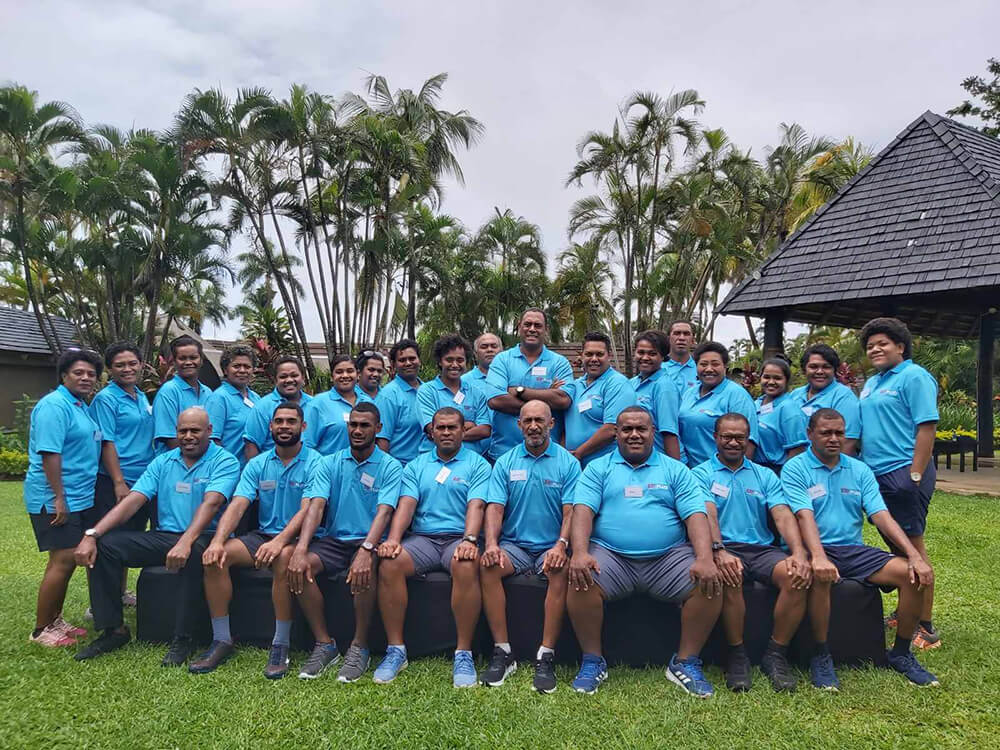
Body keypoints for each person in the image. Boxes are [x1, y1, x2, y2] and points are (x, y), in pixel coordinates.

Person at [566, 407, 723, 697]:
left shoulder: (675, 470)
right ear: (616, 433)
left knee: (709, 581)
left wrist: (704, 558)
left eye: (641, 429)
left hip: (668, 558)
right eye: (627, 429)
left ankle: (685, 662)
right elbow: (582, 511)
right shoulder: (598, 468)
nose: (634, 435)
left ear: (653, 432)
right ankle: (592, 661)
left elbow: (695, 515)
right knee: (581, 577)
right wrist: (579, 553)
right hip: (612, 557)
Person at [781, 408, 939, 689]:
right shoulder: (796, 468)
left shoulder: (859, 469)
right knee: (820, 578)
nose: (834, 439)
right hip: (814, 548)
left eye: (839, 433)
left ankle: (901, 653)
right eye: (826, 433)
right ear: (809, 434)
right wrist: (818, 557)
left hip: (853, 550)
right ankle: (821, 655)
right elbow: (804, 516)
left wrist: (914, 555)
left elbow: (881, 515)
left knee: (912, 575)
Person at [74, 407, 240, 665]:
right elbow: (133, 501)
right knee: (106, 546)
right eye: (183, 431)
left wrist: (185, 542)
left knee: (195, 552)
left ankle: (184, 638)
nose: (188, 436)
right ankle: (113, 630)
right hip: (165, 536)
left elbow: (212, 503)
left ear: (209, 431)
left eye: (195, 430)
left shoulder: (225, 461)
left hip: (205, 536)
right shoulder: (163, 462)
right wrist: (93, 534)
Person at [187, 402, 321, 675]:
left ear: (303, 426)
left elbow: (308, 510)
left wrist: (279, 542)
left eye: (291, 421)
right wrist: (217, 541)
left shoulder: (317, 462)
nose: (284, 426)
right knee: (217, 557)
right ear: (270, 427)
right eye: (279, 421)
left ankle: (280, 645)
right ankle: (221, 639)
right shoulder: (258, 464)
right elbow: (238, 504)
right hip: (262, 536)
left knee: (283, 558)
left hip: (302, 538)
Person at [277, 402, 403, 682]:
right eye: (353, 425)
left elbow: (384, 512)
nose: (357, 430)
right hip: (334, 541)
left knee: (364, 569)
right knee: (299, 566)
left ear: (378, 428)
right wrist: (300, 549)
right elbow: (316, 506)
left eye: (364, 425)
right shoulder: (329, 462)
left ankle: (359, 646)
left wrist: (367, 549)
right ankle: (325, 643)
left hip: (370, 539)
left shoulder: (391, 466)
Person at [692, 413, 810, 693]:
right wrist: (718, 550)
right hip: (725, 547)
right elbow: (707, 514)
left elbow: (782, 515)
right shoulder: (700, 474)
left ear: (748, 440)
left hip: (762, 549)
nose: (733, 442)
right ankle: (737, 655)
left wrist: (798, 552)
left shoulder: (764, 475)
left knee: (795, 577)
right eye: (727, 437)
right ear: (715, 438)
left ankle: (776, 654)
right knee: (731, 575)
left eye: (739, 438)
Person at [373, 407, 491, 687]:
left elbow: (477, 506)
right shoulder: (416, 466)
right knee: (390, 563)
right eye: (441, 428)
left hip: (458, 538)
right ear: (432, 432)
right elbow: (406, 505)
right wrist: (393, 539)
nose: (446, 433)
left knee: (465, 563)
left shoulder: (478, 465)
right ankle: (395, 650)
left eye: (452, 427)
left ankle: (463, 653)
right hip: (423, 539)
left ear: (463, 431)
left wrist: (470, 539)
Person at [479, 400, 581, 692]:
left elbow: (571, 511)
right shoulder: (505, 462)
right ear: (519, 425)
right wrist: (492, 544)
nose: (534, 426)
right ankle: (503, 651)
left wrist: (561, 546)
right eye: (528, 421)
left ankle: (546, 655)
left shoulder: (568, 463)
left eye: (540, 420)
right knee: (488, 567)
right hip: (516, 546)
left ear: (551, 424)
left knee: (560, 570)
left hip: (552, 545)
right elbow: (495, 508)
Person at [858, 317, 940, 649]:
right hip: (875, 473)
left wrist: (915, 474)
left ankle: (925, 625)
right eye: (870, 346)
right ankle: (906, 609)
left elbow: (927, 427)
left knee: (913, 548)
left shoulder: (914, 376)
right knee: (898, 545)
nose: (875, 349)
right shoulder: (872, 383)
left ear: (900, 347)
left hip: (904, 470)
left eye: (883, 343)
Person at [24, 348, 104, 647]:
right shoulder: (54, 406)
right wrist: (58, 497)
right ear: (64, 375)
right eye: (78, 373)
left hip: (78, 495)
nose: (86, 378)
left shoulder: (79, 405)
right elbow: (50, 454)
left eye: (91, 374)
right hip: (55, 497)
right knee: (62, 560)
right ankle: (41, 629)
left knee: (67, 561)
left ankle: (55, 620)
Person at [91, 342, 155, 608]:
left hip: (143, 480)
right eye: (120, 365)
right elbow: (107, 442)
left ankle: (120, 592)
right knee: (109, 540)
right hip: (117, 481)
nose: (127, 369)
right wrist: (118, 482)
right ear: (110, 369)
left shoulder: (140, 395)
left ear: (141, 365)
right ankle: (100, 603)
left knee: (129, 537)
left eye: (132, 363)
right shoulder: (106, 399)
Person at [486, 309, 573, 461]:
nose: (532, 329)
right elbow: (496, 400)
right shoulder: (502, 360)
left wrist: (519, 391)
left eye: (537, 325)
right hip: (504, 453)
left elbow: (563, 400)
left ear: (546, 329)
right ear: (519, 327)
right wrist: (547, 396)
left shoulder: (559, 363)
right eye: (527, 324)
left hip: (547, 455)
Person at [678, 342, 759, 467]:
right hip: (688, 470)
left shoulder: (737, 396)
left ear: (725, 367)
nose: (709, 369)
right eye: (703, 364)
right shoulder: (689, 393)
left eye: (715, 364)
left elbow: (749, 442)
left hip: (720, 472)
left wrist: (736, 473)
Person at [561, 331, 635, 466]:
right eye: (589, 354)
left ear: (609, 356)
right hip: (574, 465)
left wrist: (578, 453)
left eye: (599, 354)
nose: (594, 359)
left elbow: (612, 429)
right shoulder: (576, 385)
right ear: (582, 356)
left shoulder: (617, 383)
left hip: (605, 466)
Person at [416, 334, 492, 455]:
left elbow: (485, 431)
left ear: (466, 362)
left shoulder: (476, 394)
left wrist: (447, 432)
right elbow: (431, 430)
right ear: (440, 362)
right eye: (449, 360)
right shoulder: (426, 391)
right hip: (435, 459)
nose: (455, 365)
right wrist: (469, 425)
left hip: (470, 460)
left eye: (460, 360)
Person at [781, 344, 860, 458]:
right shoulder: (795, 395)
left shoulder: (844, 396)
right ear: (804, 370)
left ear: (834, 370)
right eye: (813, 367)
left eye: (826, 367)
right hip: (794, 462)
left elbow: (847, 442)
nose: (819, 371)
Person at [243, 356, 313, 461]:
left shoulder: (314, 404)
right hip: (273, 467)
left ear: (303, 377)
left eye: (294, 375)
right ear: (275, 380)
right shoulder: (263, 407)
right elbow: (251, 444)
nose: (289, 380)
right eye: (283, 376)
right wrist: (257, 470)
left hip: (309, 467)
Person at [304, 354, 373, 456]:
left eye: (350, 371)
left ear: (358, 374)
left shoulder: (368, 402)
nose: (345, 375)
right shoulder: (318, 403)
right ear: (332, 376)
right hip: (328, 465)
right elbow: (307, 444)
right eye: (339, 372)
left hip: (361, 464)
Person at [153, 335, 212, 451]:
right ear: (174, 362)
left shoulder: (208, 392)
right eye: (182, 358)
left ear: (201, 360)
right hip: (175, 459)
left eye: (193, 357)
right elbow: (170, 439)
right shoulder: (168, 392)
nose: (188, 362)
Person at [204, 344, 260, 466]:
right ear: (225, 370)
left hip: (252, 470)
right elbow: (212, 440)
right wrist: (226, 467)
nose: (242, 370)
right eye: (236, 366)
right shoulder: (219, 398)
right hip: (228, 469)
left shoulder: (256, 398)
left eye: (247, 366)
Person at [630, 330, 681, 459]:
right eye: (641, 352)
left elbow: (669, 432)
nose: (645, 358)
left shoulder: (664, 386)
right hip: (639, 458)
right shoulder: (631, 383)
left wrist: (674, 468)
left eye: (652, 354)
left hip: (660, 459)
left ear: (662, 357)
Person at [375, 339, 425, 466]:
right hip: (400, 468)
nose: (408, 363)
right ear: (394, 364)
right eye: (402, 360)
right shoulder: (388, 395)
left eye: (412, 358)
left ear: (419, 360)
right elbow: (382, 440)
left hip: (427, 468)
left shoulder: (428, 391)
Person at [754, 357, 792, 473]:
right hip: (755, 469)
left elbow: (797, 450)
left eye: (777, 378)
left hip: (777, 471)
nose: (771, 382)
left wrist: (786, 477)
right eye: (766, 377)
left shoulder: (789, 408)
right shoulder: (756, 404)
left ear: (786, 380)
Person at [662, 320, 698, 395]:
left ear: (693, 340)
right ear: (668, 339)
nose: (682, 338)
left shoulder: (700, 369)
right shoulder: (658, 367)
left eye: (686, 334)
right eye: (677, 333)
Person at [463, 332, 502, 396]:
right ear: (475, 354)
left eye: (494, 346)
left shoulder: (510, 377)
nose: (489, 350)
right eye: (484, 347)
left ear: (501, 351)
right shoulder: (464, 381)